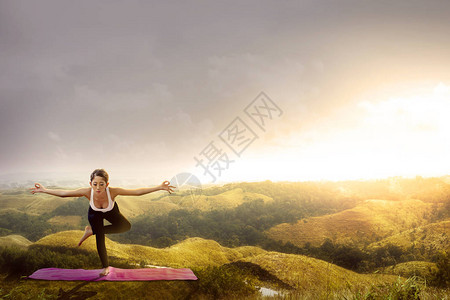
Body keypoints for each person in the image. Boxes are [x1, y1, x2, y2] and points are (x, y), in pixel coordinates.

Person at [29, 168, 175, 276]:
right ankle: (105, 267)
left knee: (125, 226)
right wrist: (44, 190)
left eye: (101, 184)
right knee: (100, 238)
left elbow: (137, 192)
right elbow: (64, 194)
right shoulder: (87, 192)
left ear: (107, 183)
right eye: (95, 184)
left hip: (111, 212)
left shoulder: (113, 191)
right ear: (90, 183)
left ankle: (91, 231)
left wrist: (159, 187)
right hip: (95, 215)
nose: (98, 188)